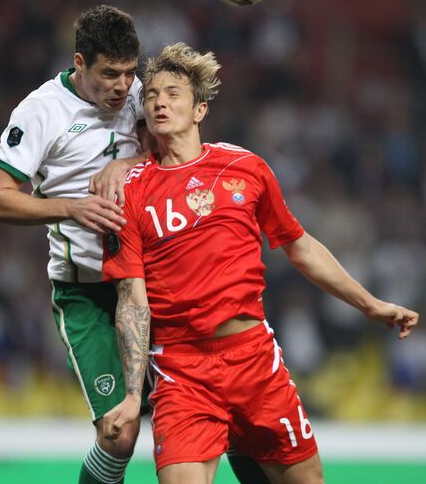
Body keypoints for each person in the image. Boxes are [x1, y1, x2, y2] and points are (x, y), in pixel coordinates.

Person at [102, 42, 419, 484]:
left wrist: (369, 305)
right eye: (152, 94)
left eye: (173, 93)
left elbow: (299, 246)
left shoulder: (245, 168)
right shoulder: (128, 192)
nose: (159, 101)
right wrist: (135, 395)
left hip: (253, 361)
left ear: (200, 110)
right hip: (180, 370)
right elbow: (132, 299)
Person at [0, 4, 151, 484]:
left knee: (206, 413)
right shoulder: (41, 112)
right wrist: (68, 206)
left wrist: (129, 159)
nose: (123, 86)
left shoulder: (138, 94)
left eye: (130, 72)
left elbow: (170, 146)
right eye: (110, 74)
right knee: (120, 432)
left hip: (147, 281)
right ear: (80, 64)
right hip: (86, 293)